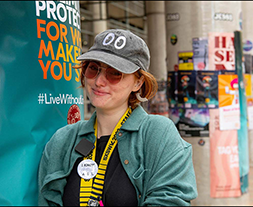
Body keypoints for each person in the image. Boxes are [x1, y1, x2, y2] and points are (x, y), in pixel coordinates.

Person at [38, 29, 198, 206]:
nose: (99, 81)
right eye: (93, 69)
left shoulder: (158, 134)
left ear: (138, 82)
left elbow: (170, 200)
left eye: (114, 73)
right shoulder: (63, 140)